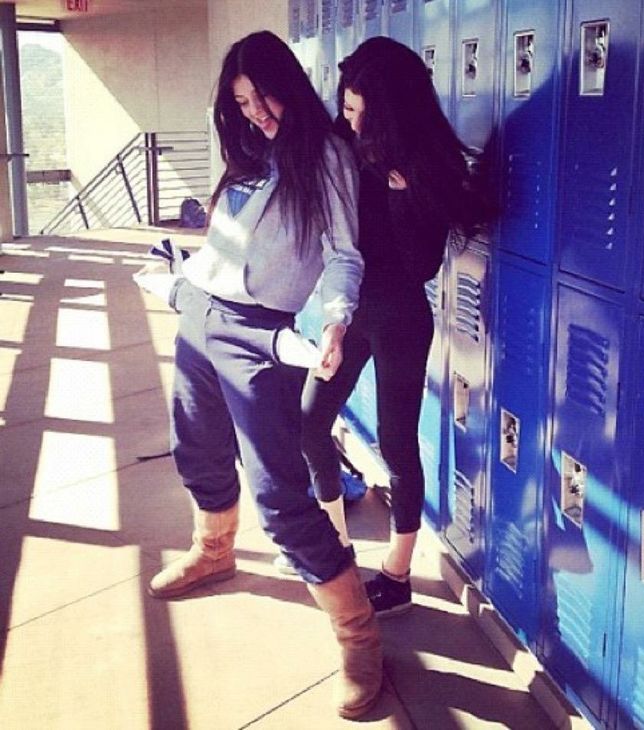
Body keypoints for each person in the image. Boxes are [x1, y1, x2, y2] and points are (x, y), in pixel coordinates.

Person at [146, 31, 382, 719]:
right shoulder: (248, 153)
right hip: (197, 309)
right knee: (197, 449)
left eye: (262, 96)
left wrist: (334, 320)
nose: (254, 113)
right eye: (241, 102)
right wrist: (180, 283)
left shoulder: (327, 155)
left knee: (280, 493)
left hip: (257, 334)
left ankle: (358, 637)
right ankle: (212, 550)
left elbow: (343, 255)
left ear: (289, 83)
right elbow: (227, 245)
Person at [300, 36, 488, 617]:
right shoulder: (342, 143)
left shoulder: (428, 163)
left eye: (360, 113)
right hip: (350, 308)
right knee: (309, 420)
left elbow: (421, 267)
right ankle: (333, 553)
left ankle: (398, 573)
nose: (350, 122)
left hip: (402, 314)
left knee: (397, 443)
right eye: (347, 108)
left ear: (391, 111)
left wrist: (404, 198)